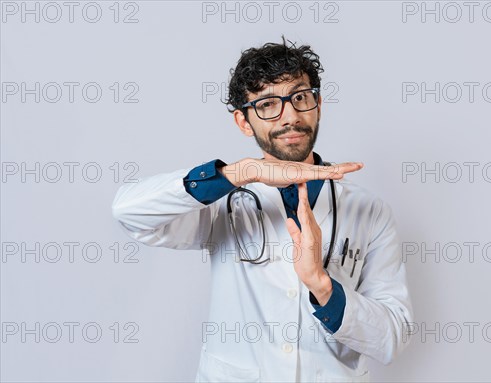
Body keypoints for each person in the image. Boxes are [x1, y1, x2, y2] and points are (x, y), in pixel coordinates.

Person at [112, 37, 413, 382]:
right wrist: (244, 172)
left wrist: (323, 285)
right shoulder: (222, 201)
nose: (290, 116)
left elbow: (393, 337)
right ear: (243, 122)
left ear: (318, 105)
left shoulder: (369, 211)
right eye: (269, 104)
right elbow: (129, 211)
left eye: (300, 97)